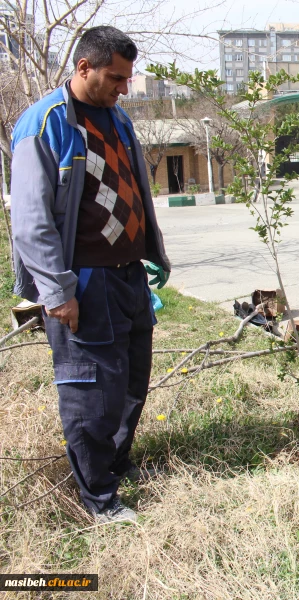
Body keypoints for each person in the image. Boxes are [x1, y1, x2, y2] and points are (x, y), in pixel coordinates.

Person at [10, 26, 171, 523]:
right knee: (90, 393)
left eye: (127, 78)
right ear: (84, 69)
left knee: (131, 383)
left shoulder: (118, 120)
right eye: (115, 78)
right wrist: (57, 293)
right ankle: (98, 497)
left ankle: (115, 465)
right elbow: (31, 221)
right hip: (83, 281)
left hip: (127, 277)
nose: (124, 87)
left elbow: (136, 191)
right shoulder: (46, 125)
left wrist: (154, 254)